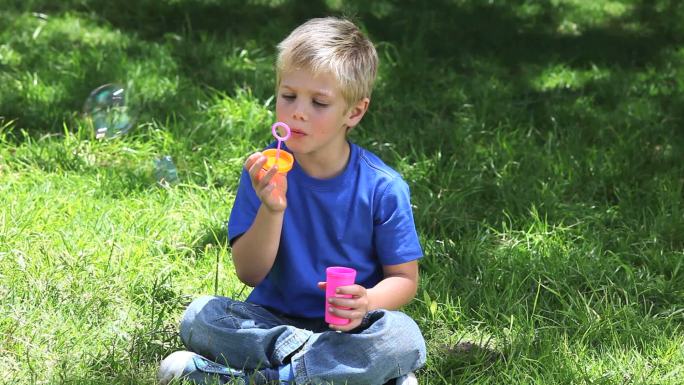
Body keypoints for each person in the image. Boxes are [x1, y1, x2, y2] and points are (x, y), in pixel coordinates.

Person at [158, 16, 426, 385]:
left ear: (355, 112)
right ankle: (331, 372)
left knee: (402, 336)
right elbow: (249, 273)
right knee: (201, 314)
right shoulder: (265, 171)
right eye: (288, 96)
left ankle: (261, 379)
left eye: (318, 102)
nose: (297, 111)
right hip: (271, 321)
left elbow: (404, 279)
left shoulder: (383, 187)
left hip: (350, 328)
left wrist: (366, 302)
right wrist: (273, 208)